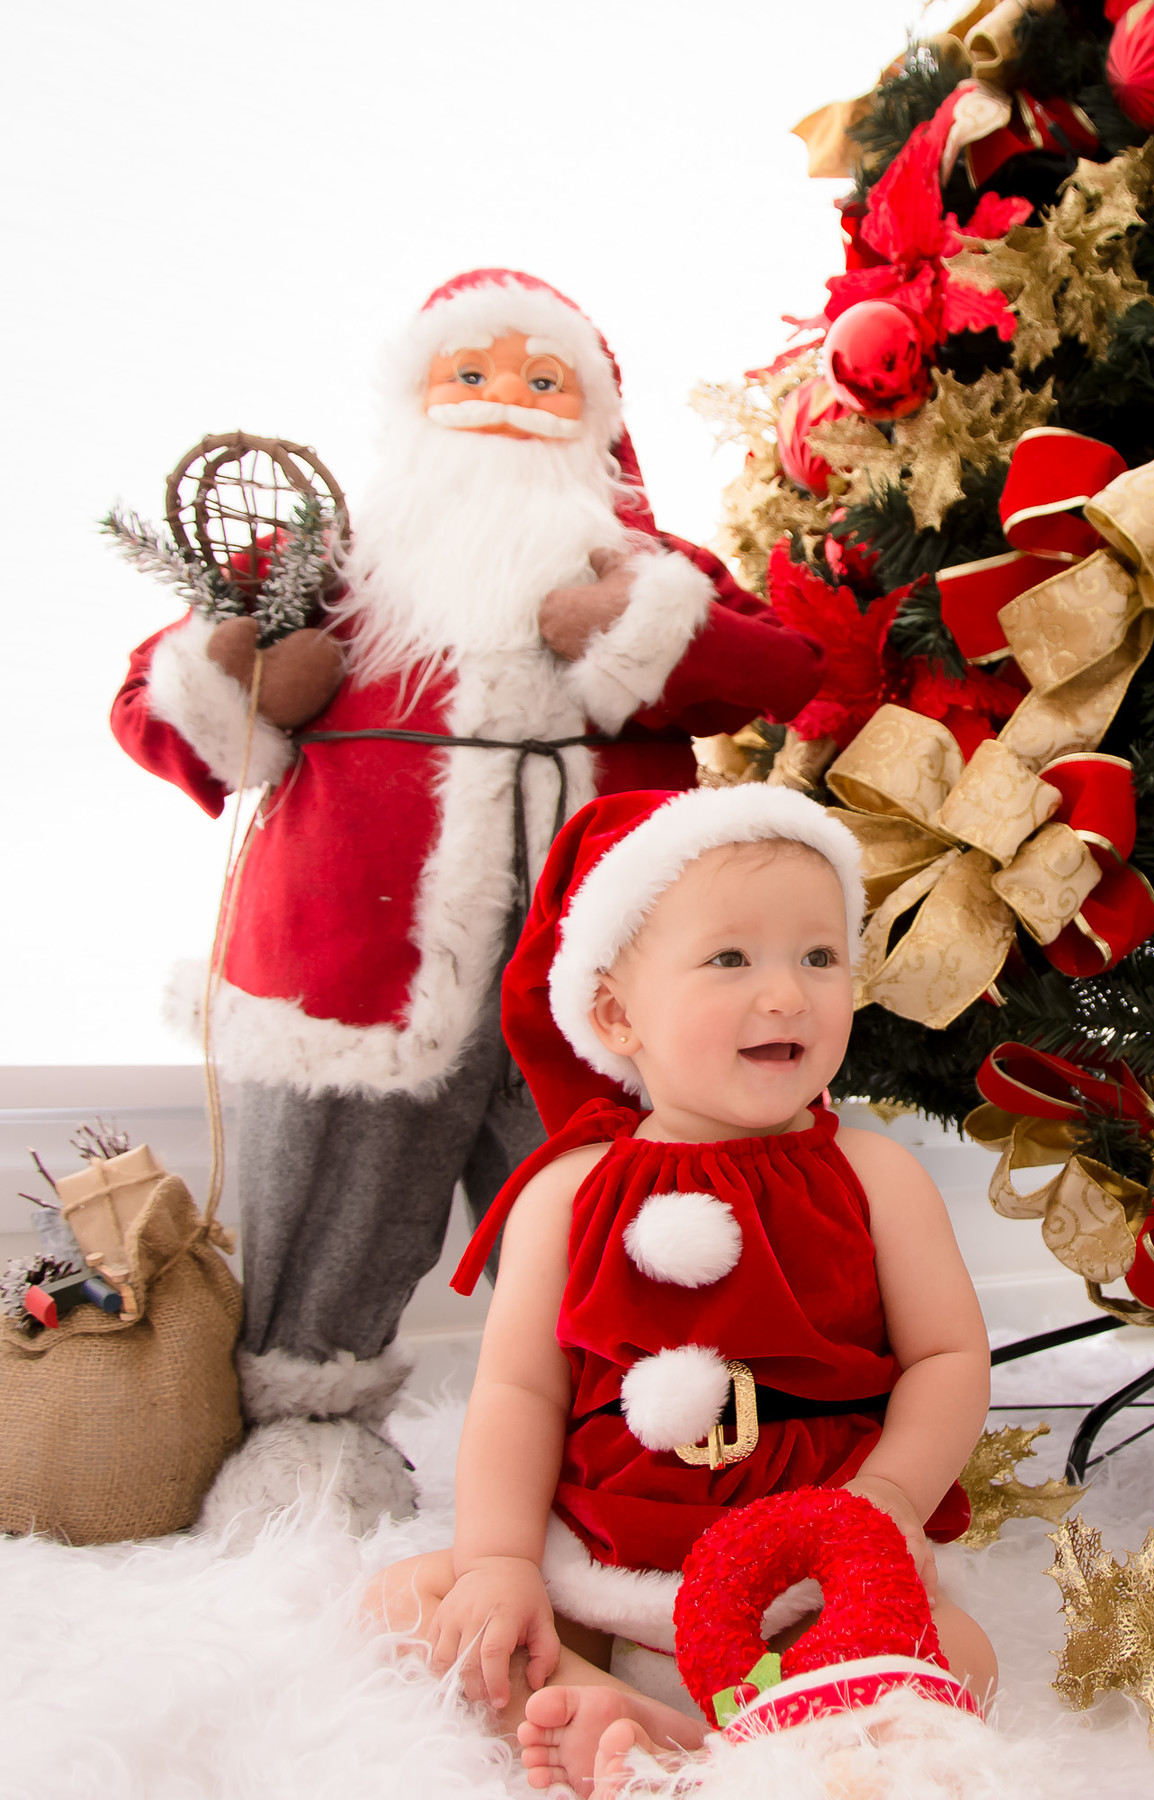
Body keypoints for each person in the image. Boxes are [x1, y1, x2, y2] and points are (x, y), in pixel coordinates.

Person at [109, 270, 826, 1535]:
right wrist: (242, 677)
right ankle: (306, 1440)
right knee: (328, 1206)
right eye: (472, 378)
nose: (506, 405)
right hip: (358, 977)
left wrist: (629, 621)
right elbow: (152, 707)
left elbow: (778, 666)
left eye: (543, 381)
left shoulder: (642, 560)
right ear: (415, 403)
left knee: (632, 1216)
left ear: (594, 416)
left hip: (602, 981)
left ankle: (641, 1446)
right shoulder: (326, 564)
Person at [365, 783, 996, 1798]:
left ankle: (718, 1737)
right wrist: (498, 1560)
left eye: (819, 956)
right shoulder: (565, 1192)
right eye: (731, 959)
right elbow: (522, 1390)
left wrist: (884, 1502)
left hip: (805, 1557)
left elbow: (947, 1359)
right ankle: (615, 1701)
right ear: (617, 1012)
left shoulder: (876, 1177)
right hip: (607, 1557)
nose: (786, 993)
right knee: (416, 1604)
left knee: (957, 1658)